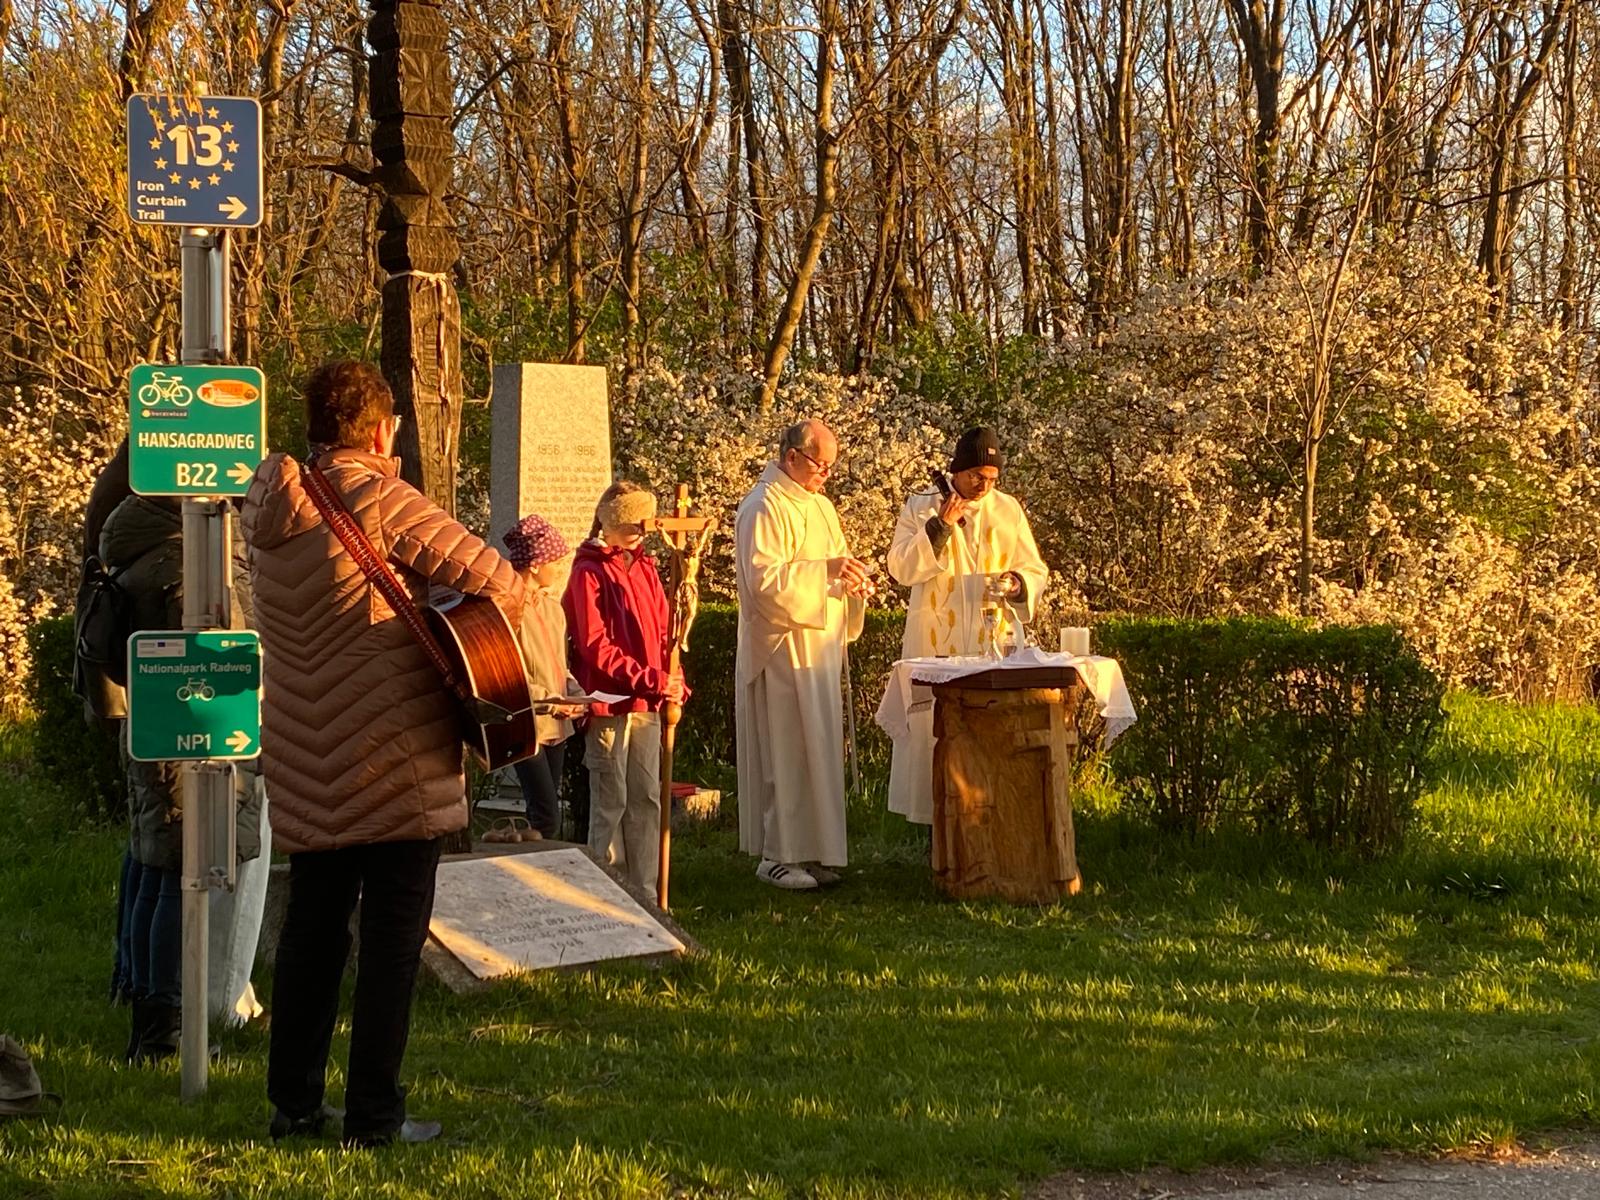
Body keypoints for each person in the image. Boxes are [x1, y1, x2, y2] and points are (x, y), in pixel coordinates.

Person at [243, 360, 522, 1147]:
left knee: (312, 933)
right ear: (377, 428)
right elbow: (495, 577)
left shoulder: (269, 511)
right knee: (392, 944)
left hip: (305, 758)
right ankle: (373, 1114)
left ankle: (294, 1104)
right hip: (392, 756)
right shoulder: (378, 495)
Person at [98, 491, 265, 1061]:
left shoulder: (141, 539)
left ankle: (141, 1000)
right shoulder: (191, 554)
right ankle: (165, 1031)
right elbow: (228, 649)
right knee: (178, 869)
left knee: (152, 862)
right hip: (192, 728)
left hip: (152, 727)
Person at [883, 426, 1049, 823]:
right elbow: (900, 567)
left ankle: (994, 824)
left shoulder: (1007, 509)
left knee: (993, 740)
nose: (984, 485)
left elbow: (1034, 568)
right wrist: (939, 527)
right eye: (976, 475)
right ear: (957, 469)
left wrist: (1017, 583)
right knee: (935, 738)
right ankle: (937, 831)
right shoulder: (921, 505)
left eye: (992, 478)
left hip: (993, 641)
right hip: (936, 641)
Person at [734, 420, 871, 891]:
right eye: (820, 465)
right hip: (782, 648)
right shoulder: (762, 506)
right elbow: (763, 584)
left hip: (819, 648)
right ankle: (777, 855)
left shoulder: (822, 507)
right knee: (787, 752)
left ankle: (814, 851)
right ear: (791, 456)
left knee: (818, 750)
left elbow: (836, 565)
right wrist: (826, 571)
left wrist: (851, 582)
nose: (826, 475)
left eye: (832, 467)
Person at [563, 482, 681, 892]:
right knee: (611, 800)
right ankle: (608, 892)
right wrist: (650, 679)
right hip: (609, 702)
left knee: (646, 796)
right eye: (631, 524)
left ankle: (645, 892)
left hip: (646, 701)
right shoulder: (588, 572)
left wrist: (673, 679)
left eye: (643, 524)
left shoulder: (645, 567)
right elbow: (595, 644)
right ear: (610, 524)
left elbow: (664, 631)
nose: (639, 532)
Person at [502, 513, 584, 839]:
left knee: (546, 815)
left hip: (557, 726)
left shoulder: (553, 609)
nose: (560, 568)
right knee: (546, 814)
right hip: (528, 723)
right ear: (535, 565)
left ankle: (535, 857)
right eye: (555, 561)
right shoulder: (509, 609)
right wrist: (551, 701)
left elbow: (559, 665)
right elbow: (509, 674)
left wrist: (575, 694)